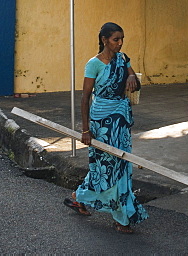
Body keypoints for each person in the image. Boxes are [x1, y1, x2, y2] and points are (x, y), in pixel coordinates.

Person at [63, 21, 148, 233]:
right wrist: (85, 129)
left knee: (120, 166)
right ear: (104, 40)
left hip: (121, 120)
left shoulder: (123, 58)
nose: (119, 43)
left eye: (121, 39)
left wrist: (130, 75)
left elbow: (134, 79)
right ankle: (121, 217)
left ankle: (79, 197)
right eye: (115, 39)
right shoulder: (94, 64)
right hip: (101, 121)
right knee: (104, 166)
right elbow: (85, 98)